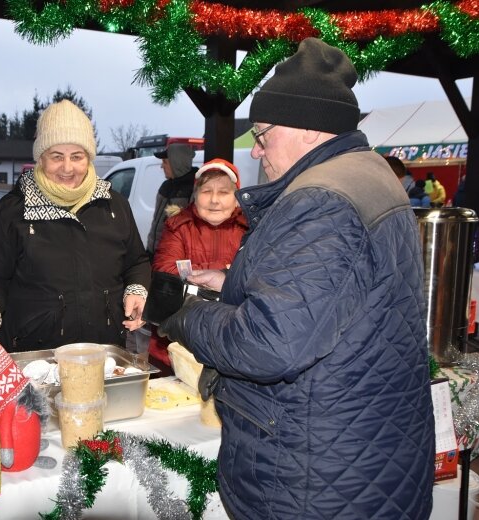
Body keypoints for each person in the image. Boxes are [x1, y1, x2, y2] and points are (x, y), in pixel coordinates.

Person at [158, 38, 434, 519]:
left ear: (308, 129)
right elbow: (332, 297)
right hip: (360, 454)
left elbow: (270, 344)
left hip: (314, 478)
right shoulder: (366, 173)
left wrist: (188, 318)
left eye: (263, 133)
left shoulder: (322, 201)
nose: (258, 150)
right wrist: (234, 284)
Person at [0, 100, 150, 352]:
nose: (67, 168)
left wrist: (136, 289)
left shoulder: (113, 205)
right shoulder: (12, 211)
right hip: (37, 354)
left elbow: (137, 261)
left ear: (88, 158)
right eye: (57, 157)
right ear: (41, 158)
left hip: (104, 352)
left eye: (76, 157)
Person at [148, 158, 248, 369]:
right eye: (206, 191)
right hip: (179, 343)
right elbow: (166, 276)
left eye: (223, 192)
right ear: (195, 195)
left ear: (237, 198)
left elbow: (259, 278)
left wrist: (208, 279)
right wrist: (228, 279)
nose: (214, 200)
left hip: (234, 342)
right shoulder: (178, 226)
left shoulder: (251, 231)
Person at [146, 143, 197, 257]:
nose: (161, 166)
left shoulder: (193, 189)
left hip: (173, 256)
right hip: (153, 253)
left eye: (165, 162)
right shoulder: (165, 186)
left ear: (176, 163)